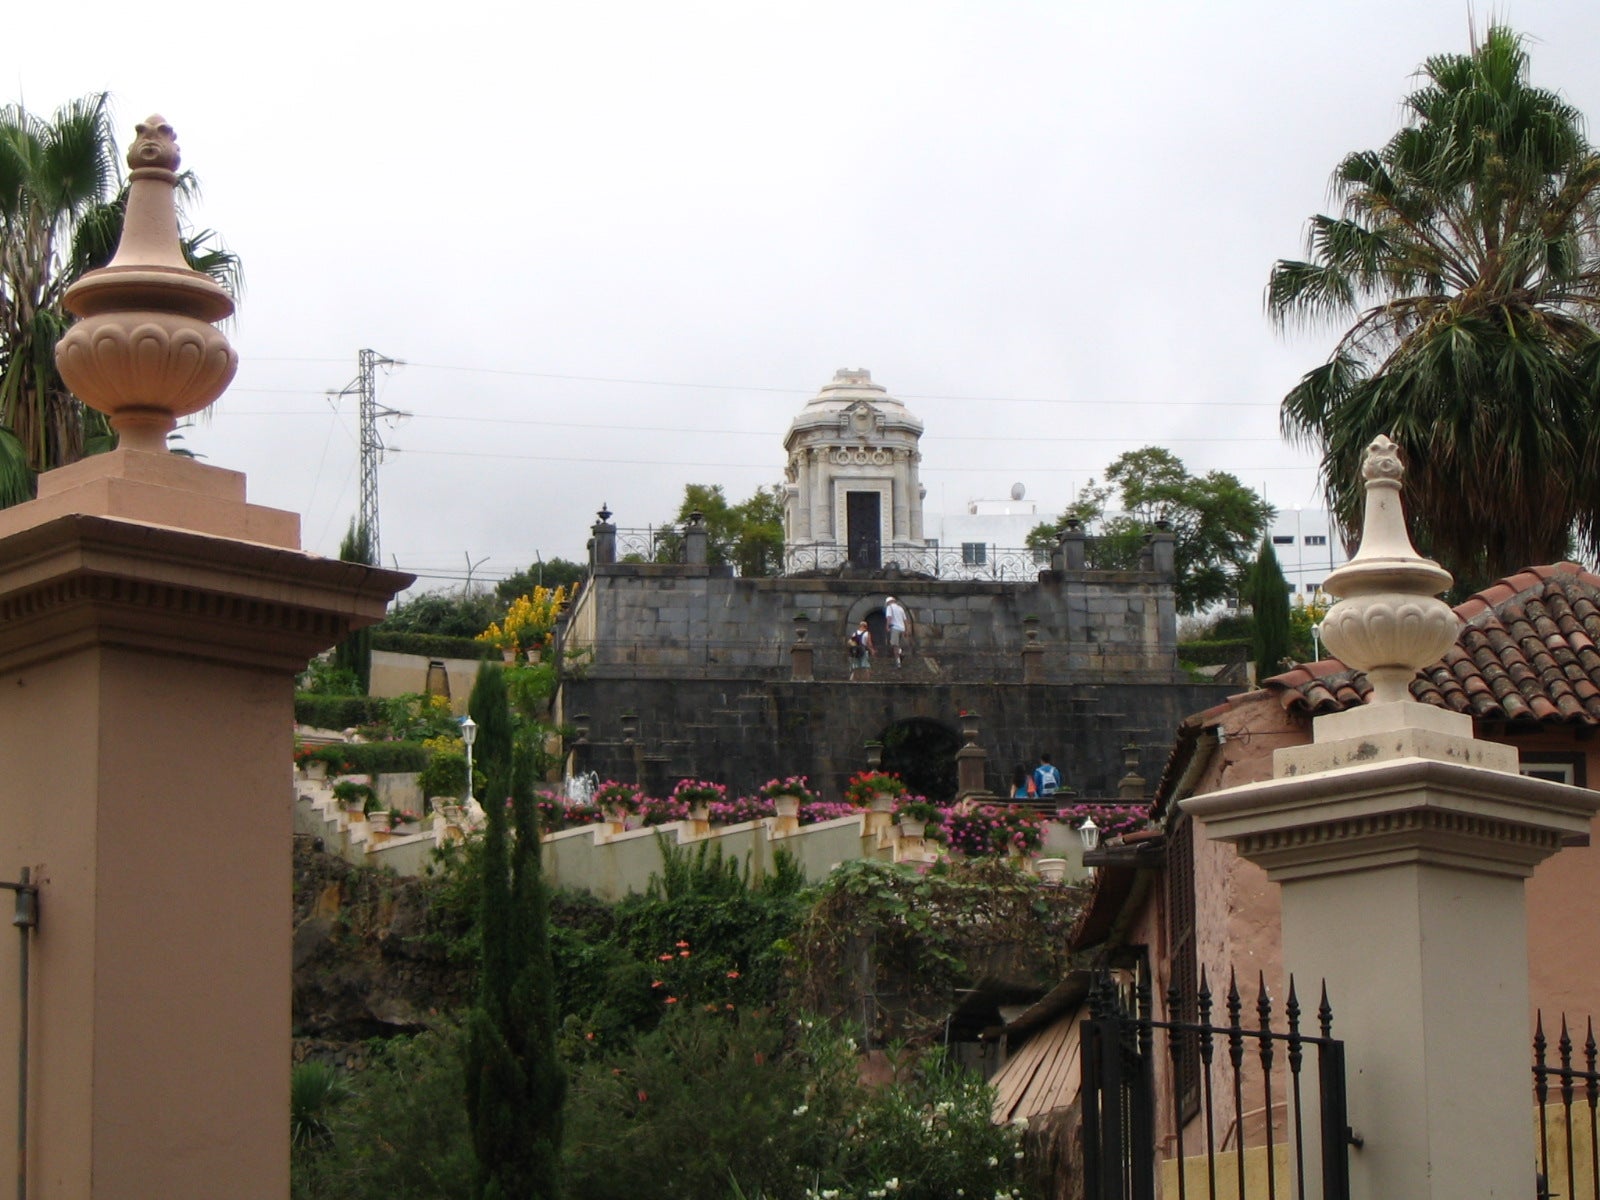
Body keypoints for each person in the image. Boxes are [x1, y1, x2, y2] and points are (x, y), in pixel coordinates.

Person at [884, 595, 910, 667]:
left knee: (895, 645)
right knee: (900, 645)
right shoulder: (900, 608)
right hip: (902, 628)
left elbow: (889, 617)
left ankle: (898, 662)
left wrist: (887, 626)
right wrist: (907, 630)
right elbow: (905, 620)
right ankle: (901, 652)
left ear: (888, 602)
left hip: (895, 628)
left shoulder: (890, 607)